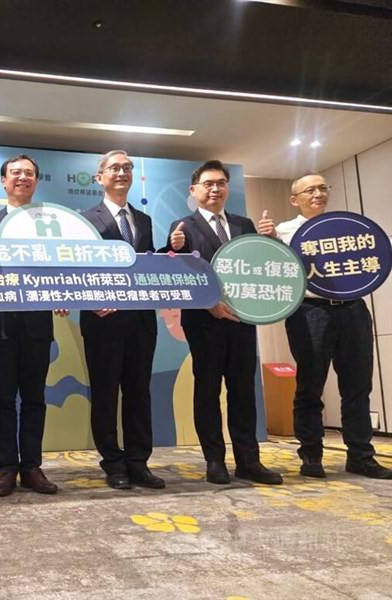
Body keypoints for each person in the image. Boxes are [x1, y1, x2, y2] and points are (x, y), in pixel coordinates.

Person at [166, 159, 282, 485]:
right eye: (208, 184)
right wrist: (172, 248)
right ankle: (214, 460)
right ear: (194, 190)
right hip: (204, 322)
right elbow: (179, 272)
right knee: (207, 390)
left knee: (243, 391)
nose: (215, 189)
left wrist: (272, 239)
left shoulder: (245, 225)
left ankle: (249, 461)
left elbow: (260, 266)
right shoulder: (183, 226)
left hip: (242, 320)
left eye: (220, 183)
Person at [272, 173, 392, 479]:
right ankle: (311, 456)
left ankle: (361, 456)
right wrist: (269, 240)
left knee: (357, 386)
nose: (318, 194)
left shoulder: (348, 228)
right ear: (294, 199)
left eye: (322, 188)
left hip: (353, 309)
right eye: (310, 190)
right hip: (310, 311)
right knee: (310, 385)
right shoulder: (283, 232)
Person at [0, 154, 64, 497]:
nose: (22, 177)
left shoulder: (48, 222)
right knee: (2, 398)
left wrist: (62, 292)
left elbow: (60, 264)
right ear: (3, 180)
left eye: (28, 173)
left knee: (34, 398)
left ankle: (32, 467)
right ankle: (7, 468)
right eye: (15, 173)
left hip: (37, 322)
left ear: (36, 181)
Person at [80, 150, 163, 490]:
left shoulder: (144, 220)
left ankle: (138, 462)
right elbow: (75, 267)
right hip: (103, 319)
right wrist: (90, 300)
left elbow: (147, 265)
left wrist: (170, 252)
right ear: (99, 177)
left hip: (141, 320)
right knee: (105, 393)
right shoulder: (85, 219)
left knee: (139, 392)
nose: (122, 172)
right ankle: (113, 463)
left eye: (127, 167)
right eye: (114, 168)